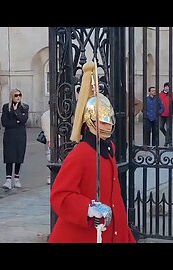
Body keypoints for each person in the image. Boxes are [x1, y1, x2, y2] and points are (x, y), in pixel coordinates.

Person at [48, 62, 136, 243]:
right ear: (90, 122)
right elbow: (60, 195)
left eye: (108, 121)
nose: (108, 126)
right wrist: (87, 208)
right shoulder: (80, 153)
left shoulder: (109, 149)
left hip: (110, 230)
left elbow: (114, 197)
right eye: (102, 122)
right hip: (83, 233)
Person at [1, 88, 29, 190]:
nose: (18, 97)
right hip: (9, 135)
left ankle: (16, 178)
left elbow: (24, 120)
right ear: (12, 96)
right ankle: (8, 179)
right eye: (16, 95)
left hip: (20, 135)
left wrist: (17, 112)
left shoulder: (24, 107)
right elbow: (5, 122)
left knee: (18, 157)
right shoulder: (6, 107)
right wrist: (16, 122)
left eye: (19, 95)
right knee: (9, 157)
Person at [159, 82, 173, 146]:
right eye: (166, 87)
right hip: (162, 114)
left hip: (169, 114)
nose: (167, 88)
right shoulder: (160, 94)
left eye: (169, 87)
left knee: (169, 128)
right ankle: (168, 138)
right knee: (161, 127)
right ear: (164, 87)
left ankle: (167, 142)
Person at [41, 103, 51, 185]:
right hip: (50, 139)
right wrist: (48, 139)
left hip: (60, 137)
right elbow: (45, 128)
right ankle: (49, 176)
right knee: (50, 158)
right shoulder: (45, 115)